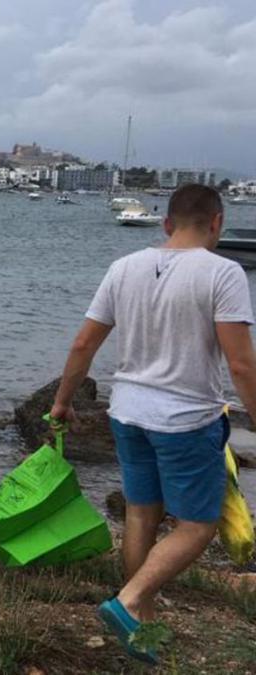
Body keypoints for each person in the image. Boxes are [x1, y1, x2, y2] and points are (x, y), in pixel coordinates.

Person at [48, 184, 256, 663]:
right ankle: (128, 601)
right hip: (185, 418)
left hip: (128, 412)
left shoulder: (124, 268)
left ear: (166, 223)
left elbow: (83, 345)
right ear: (217, 223)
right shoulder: (223, 272)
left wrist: (62, 401)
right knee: (197, 526)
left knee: (141, 514)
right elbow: (242, 365)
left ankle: (139, 626)